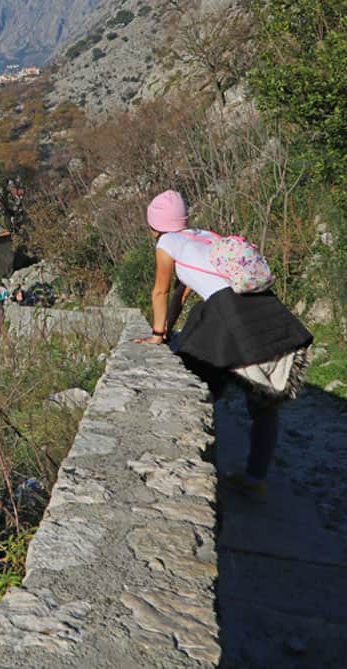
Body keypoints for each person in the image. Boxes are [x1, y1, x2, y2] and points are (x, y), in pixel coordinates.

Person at [133, 190, 312, 497]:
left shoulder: (167, 243)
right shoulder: (203, 237)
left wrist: (158, 336)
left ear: (155, 225)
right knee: (264, 405)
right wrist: (166, 328)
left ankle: (188, 461)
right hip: (264, 309)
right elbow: (180, 294)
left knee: (198, 382)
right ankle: (256, 479)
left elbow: (161, 292)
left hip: (231, 316)